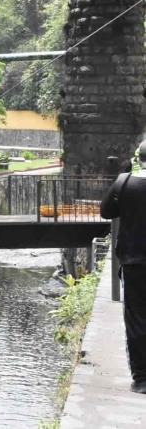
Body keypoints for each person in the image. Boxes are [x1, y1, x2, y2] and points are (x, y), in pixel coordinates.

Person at [101, 140, 146, 394]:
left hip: (134, 261)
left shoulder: (124, 183)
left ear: (139, 159)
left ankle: (141, 378)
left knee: (137, 319)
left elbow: (106, 212)